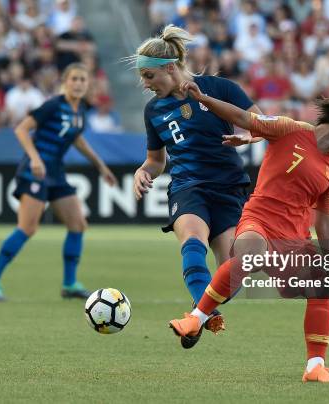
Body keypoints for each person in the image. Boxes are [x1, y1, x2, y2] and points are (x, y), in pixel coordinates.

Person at [169, 81, 329, 383]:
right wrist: (203, 98)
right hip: (259, 221)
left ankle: (315, 367)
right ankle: (195, 319)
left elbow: (323, 223)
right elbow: (244, 119)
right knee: (250, 254)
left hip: (294, 240)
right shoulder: (290, 129)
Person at [131, 24, 262, 348]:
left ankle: (197, 315)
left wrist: (247, 136)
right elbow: (156, 160)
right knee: (192, 240)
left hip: (230, 189)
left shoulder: (219, 88)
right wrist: (142, 170)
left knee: (236, 266)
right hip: (188, 186)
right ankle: (204, 315)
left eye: (149, 76)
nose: (145, 85)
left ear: (170, 68)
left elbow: (263, 124)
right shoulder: (154, 111)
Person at [0, 63, 117, 302]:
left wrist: (101, 166)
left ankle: (70, 284)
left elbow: (78, 141)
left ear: (88, 85)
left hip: (55, 172)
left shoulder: (79, 112)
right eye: (73, 79)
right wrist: (34, 159)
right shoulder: (53, 105)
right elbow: (21, 129)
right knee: (28, 227)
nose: (78, 83)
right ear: (65, 81)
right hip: (35, 171)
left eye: (82, 80)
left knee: (78, 224)